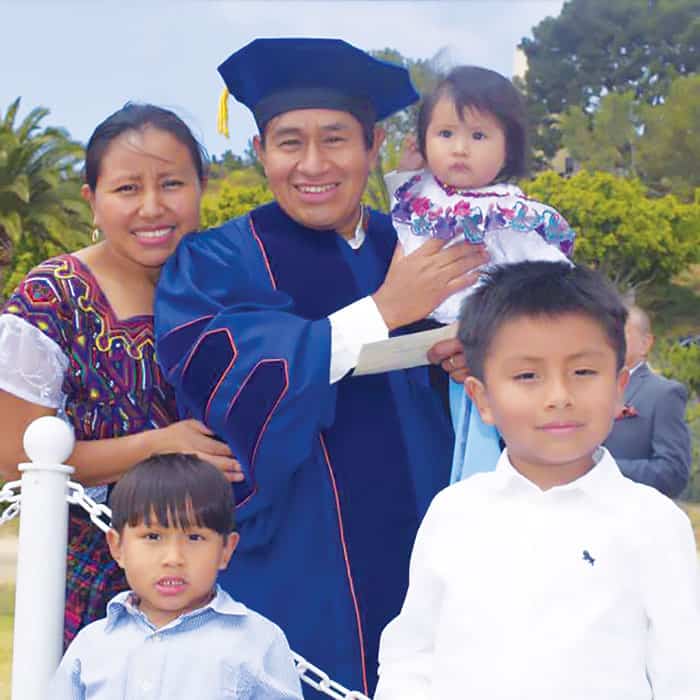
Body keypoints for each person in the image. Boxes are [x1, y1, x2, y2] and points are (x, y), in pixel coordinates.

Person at [155, 38, 486, 697]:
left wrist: (471, 360)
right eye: (288, 142)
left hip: (434, 557)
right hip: (293, 569)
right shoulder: (219, 261)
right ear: (259, 153)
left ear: (375, 146)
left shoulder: (421, 248)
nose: (312, 164)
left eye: (335, 139)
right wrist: (384, 310)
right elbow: (220, 374)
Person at [375, 261, 700, 700]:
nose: (558, 397)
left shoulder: (654, 523)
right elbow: (412, 654)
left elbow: (683, 672)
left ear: (620, 387)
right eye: (527, 376)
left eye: (583, 372)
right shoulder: (454, 512)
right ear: (483, 398)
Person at [0, 103, 241, 647]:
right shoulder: (51, 298)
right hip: (100, 589)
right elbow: (14, 456)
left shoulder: (231, 281)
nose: (152, 207)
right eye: (128, 189)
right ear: (92, 199)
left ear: (202, 187)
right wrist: (157, 447)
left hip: (227, 576)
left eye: (172, 183)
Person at [385, 65, 576, 483]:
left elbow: (555, 288)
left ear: (508, 148)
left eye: (478, 136)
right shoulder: (423, 199)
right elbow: (404, 221)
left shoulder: (509, 214)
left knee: (488, 459)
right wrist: (406, 171)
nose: (459, 149)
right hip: (422, 349)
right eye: (445, 134)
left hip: (488, 350)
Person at [50, 453, 303, 699]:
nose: (173, 558)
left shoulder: (258, 642)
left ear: (226, 550)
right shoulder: (92, 644)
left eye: (195, 538)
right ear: (118, 547)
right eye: (153, 537)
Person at [604, 304, 691, 498]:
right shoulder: (582, 388)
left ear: (646, 343)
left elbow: (673, 472)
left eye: (621, 332)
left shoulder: (663, 394)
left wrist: (604, 469)